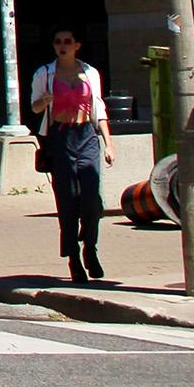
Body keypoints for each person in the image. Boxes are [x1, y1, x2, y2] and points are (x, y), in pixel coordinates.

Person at [29, 25, 115, 283]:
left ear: (77, 44)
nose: (62, 45)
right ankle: (73, 257)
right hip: (60, 137)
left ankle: (90, 246)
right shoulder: (45, 73)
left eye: (67, 41)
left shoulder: (89, 73)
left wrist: (108, 143)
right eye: (57, 41)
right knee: (67, 200)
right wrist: (44, 100)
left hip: (86, 135)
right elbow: (34, 107)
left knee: (91, 197)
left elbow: (98, 108)